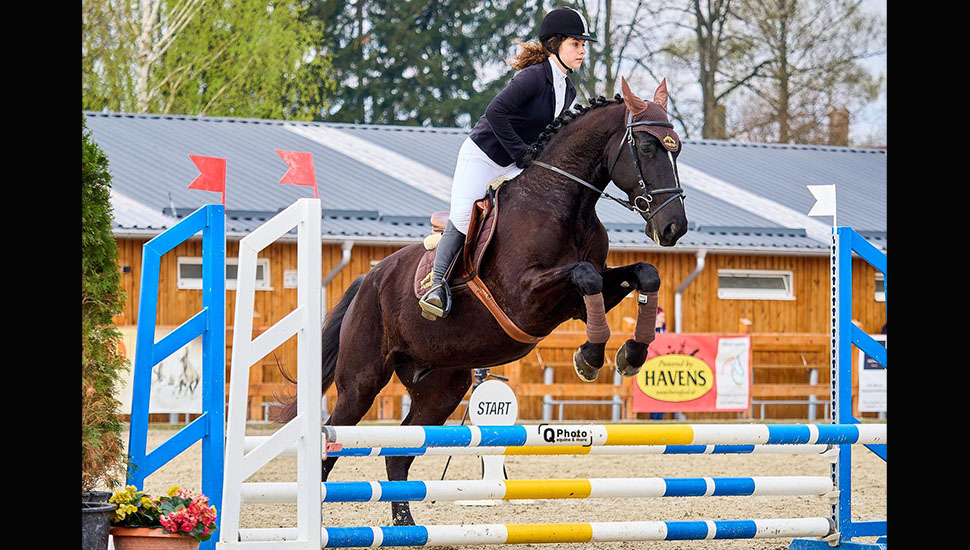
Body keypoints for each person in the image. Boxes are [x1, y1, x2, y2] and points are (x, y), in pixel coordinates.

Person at [418, 7, 596, 320]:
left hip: (518, 162)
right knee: (463, 216)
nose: (582, 50)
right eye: (575, 44)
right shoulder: (532, 77)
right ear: (554, 44)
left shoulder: (568, 89)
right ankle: (437, 284)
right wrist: (520, 153)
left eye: (583, 45)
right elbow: (496, 114)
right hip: (484, 155)